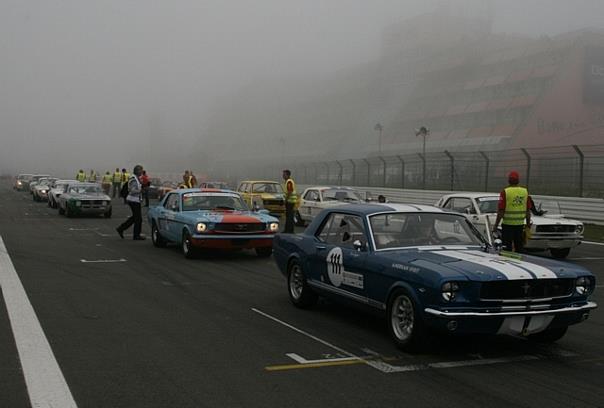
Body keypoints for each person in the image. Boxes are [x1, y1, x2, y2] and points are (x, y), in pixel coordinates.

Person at [492, 171, 532, 252]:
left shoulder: (505, 192)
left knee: (506, 249)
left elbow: (501, 211)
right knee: (519, 248)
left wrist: (496, 225)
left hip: (507, 225)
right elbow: (528, 211)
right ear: (518, 180)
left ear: (509, 180)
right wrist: (528, 225)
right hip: (520, 226)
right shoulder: (524, 192)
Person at [116, 165, 146, 240]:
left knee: (135, 218)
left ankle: (121, 228)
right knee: (138, 219)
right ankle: (136, 235)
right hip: (133, 200)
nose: (142, 172)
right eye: (141, 170)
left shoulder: (137, 178)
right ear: (137, 171)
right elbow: (132, 190)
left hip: (136, 200)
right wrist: (140, 191)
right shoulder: (133, 179)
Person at [282, 169, 297, 233]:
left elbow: (290, 191)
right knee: (289, 217)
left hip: (290, 202)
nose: (283, 175)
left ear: (287, 175)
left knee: (289, 217)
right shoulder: (288, 181)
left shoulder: (289, 182)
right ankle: (288, 230)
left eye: (284, 174)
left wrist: (286, 200)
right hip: (290, 201)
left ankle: (289, 230)